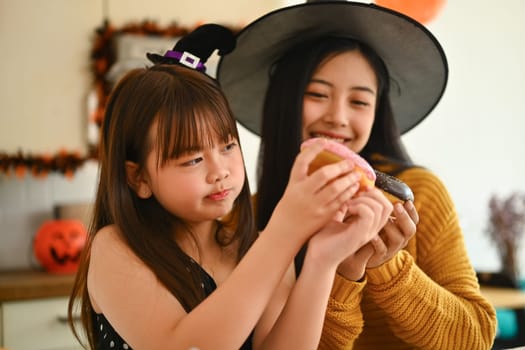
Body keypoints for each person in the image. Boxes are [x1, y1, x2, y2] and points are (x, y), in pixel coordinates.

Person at [67, 23, 394, 350]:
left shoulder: (254, 247)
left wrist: (323, 260)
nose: (219, 171)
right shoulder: (116, 248)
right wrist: (284, 232)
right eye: (193, 159)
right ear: (138, 178)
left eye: (227, 147)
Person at [217, 2, 497, 349]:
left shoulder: (418, 195)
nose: (338, 117)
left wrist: (387, 264)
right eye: (317, 95)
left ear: (377, 113)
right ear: (283, 103)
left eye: (360, 102)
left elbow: (476, 338)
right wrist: (343, 273)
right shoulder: (244, 219)